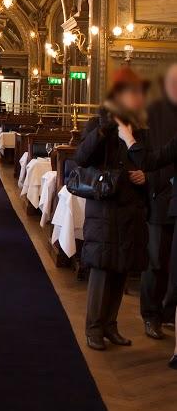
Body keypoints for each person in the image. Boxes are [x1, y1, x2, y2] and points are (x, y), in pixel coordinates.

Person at [73, 65, 151, 351]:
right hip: (105, 210)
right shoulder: (98, 124)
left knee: (121, 269)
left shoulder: (140, 129)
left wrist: (145, 175)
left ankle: (110, 325)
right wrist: (105, 129)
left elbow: (149, 162)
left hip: (130, 209)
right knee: (103, 269)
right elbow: (82, 157)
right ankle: (94, 328)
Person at [140, 64, 177, 339]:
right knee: (156, 261)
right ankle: (151, 315)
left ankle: (170, 312)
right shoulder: (152, 111)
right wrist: (148, 177)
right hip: (160, 194)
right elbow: (144, 151)